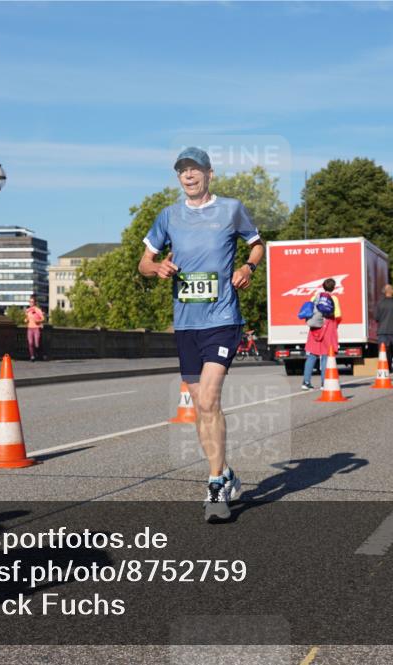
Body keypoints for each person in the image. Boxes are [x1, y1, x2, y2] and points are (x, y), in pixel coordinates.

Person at [137, 146, 263, 522]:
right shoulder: (168, 216)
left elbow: (257, 245)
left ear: (210, 174)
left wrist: (247, 267)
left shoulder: (231, 209)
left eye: (195, 169)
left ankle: (215, 484)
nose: (189, 175)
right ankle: (224, 471)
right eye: (182, 171)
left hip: (222, 318)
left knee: (208, 399)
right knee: (199, 405)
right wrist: (157, 268)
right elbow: (144, 263)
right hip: (186, 322)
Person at [302, 278, 342, 389]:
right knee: (326, 355)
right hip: (328, 328)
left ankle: (306, 382)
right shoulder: (334, 299)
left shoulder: (315, 297)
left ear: (323, 286)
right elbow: (338, 315)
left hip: (315, 328)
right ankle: (324, 383)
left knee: (312, 355)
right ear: (333, 288)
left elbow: (310, 312)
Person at [24, 296, 45, 361]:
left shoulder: (38, 310)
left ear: (35, 302)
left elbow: (43, 319)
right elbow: (27, 318)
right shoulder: (27, 310)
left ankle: (40, 355)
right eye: (30, 302)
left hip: (36, 328)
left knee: (37, 344)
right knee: (30, 343)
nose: (31, 303)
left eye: (32, 302)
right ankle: (32, 356)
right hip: (30, 328)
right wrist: (26, 320)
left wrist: (38, 321)